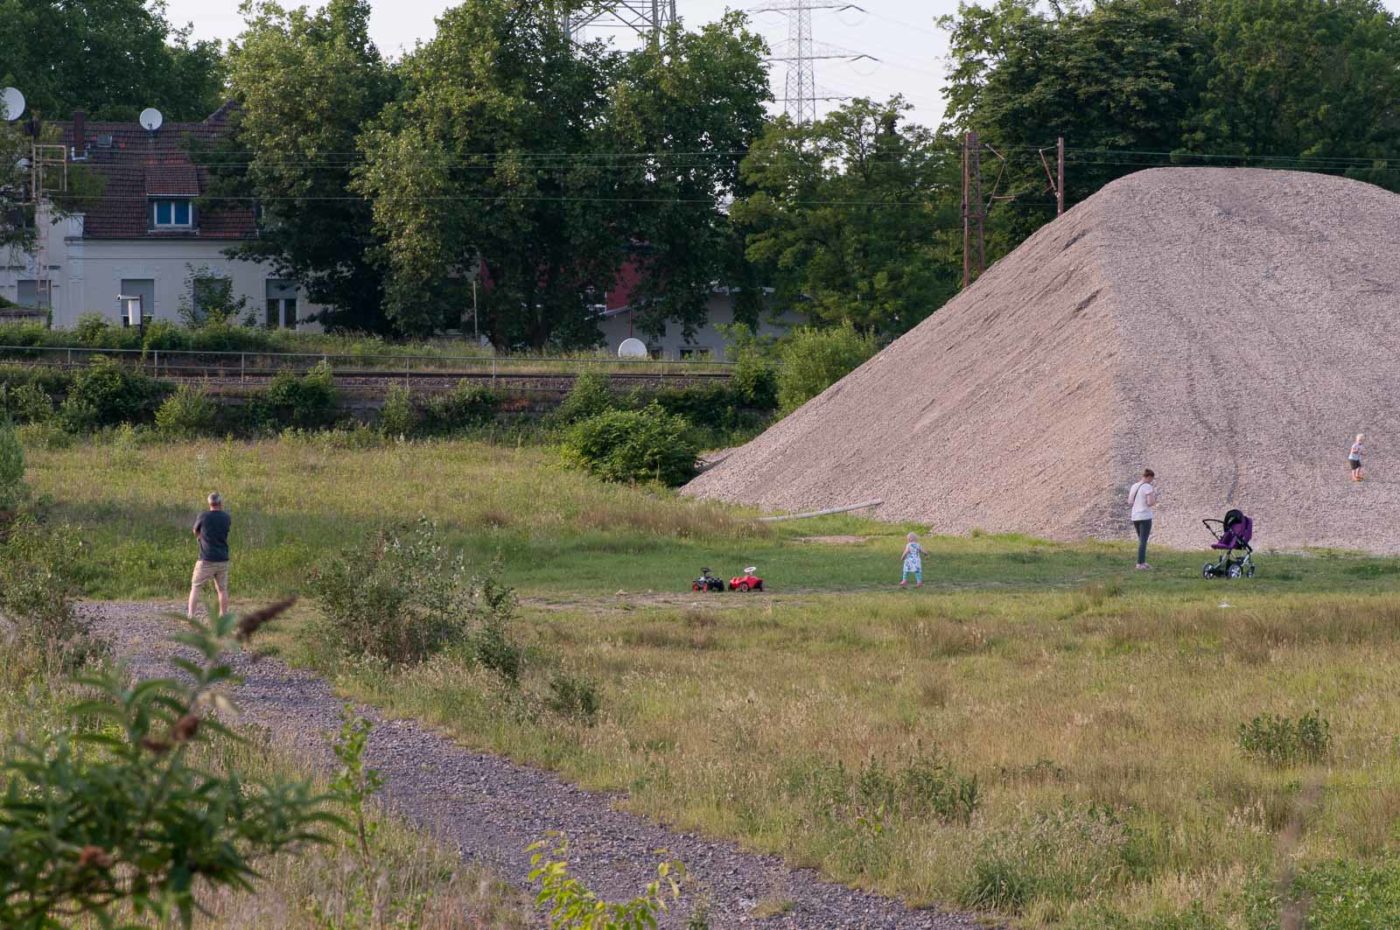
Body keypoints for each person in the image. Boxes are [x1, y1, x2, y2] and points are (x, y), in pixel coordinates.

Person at [188, 491, 231, 619]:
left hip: (206, 559)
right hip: (222, 558)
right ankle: (223, 616)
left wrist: (200, 537)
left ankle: (191, 616)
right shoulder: (226, 517)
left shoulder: (203, 516)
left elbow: (195, 530)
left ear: (209, 503)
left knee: (196, 586)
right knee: (222, 589)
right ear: (220, 503)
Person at [1128, 469, 1157, 570]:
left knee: (1141, 540)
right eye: (1151, 479)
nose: (1151, 481)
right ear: (1149, 477)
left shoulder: (1134, 486)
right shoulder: (1147, 487)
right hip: (1145, 516)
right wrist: (1154, 499)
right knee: (1143, 541)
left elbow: (1130, 502)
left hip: (1135, 516)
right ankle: (1140, 563)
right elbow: (1150, 502)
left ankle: (1142, 561)